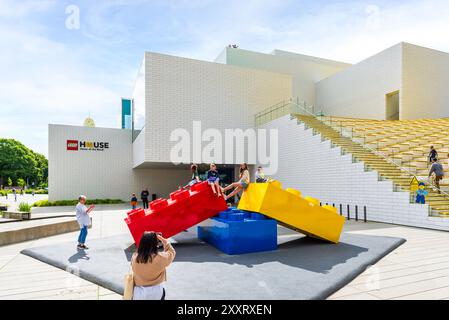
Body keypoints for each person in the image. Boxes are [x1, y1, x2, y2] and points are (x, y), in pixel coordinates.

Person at [131, 231, 176, 300]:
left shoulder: (134, 257)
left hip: (138, 293)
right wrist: (165, 241)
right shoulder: (160, 258)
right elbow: (172, 252)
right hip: (157, 292)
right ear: (155, 244)